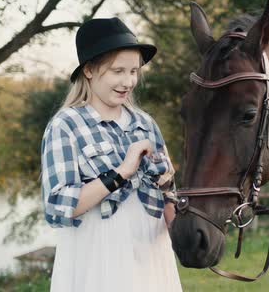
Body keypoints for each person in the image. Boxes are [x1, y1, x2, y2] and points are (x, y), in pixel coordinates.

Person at [40, 17, 182, 291]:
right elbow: (57, 206)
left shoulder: (146, 124)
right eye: (118, 71)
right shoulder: (66, 125)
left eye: (134, 71)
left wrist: (180, 229)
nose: (128, 81)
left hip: (152, 254)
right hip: (98, 260)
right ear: (90, 70)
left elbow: (168, 194)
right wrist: (120, 173)